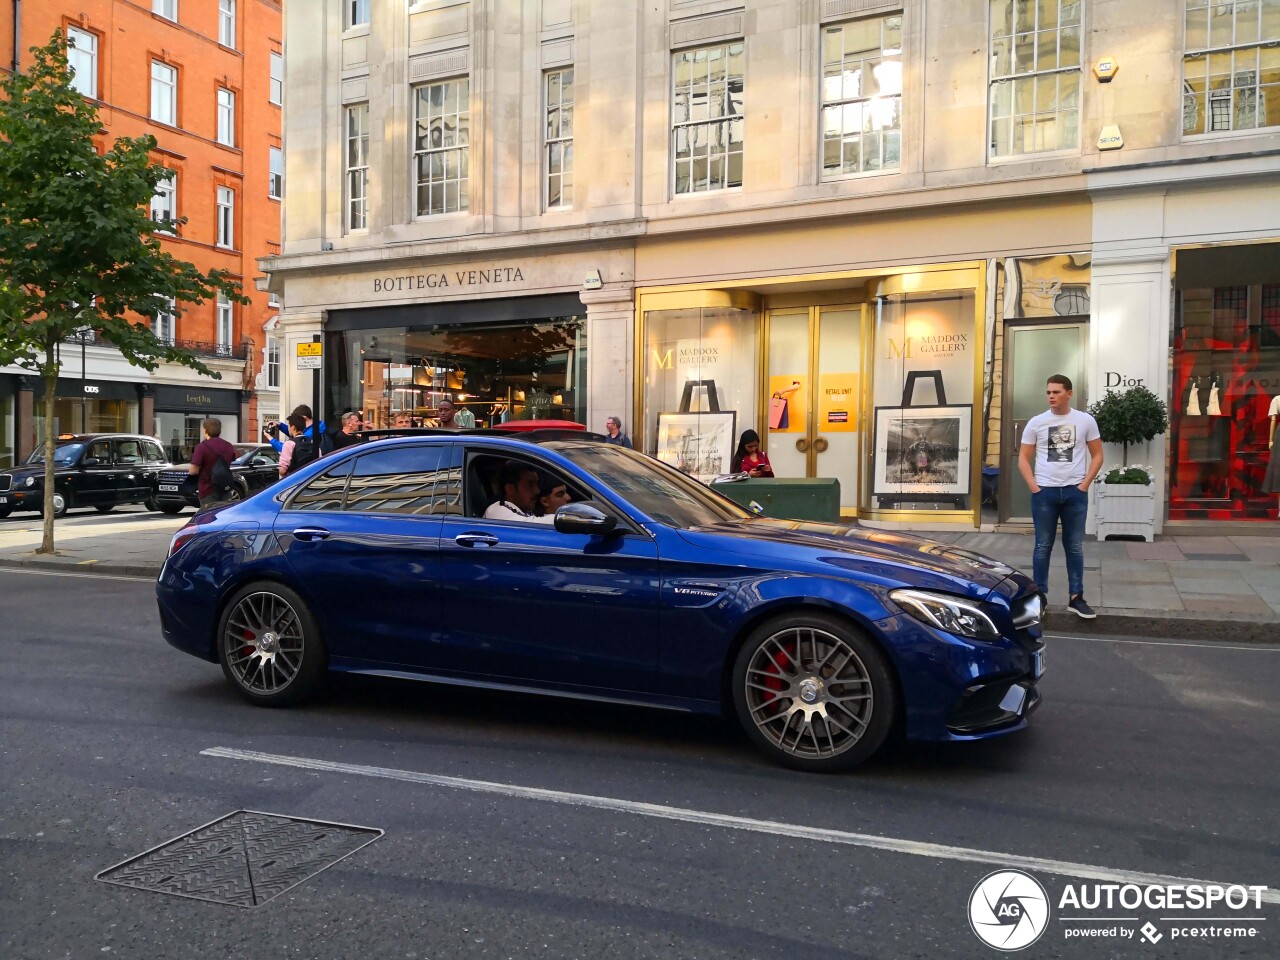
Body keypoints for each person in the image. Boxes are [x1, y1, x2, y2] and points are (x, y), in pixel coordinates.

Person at [1018, 374, 1104, 619]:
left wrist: (1084, 485)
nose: (1051, 397)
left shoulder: (1085, 420)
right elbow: (1023, 458)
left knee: (1075, 547)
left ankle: (1076, 597)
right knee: (1042, 546)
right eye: (1048, 392)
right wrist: (1035, 487)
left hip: (1075, 492)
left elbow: (1098, 455)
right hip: (1044, 492)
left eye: (1056, 392)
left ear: (1069, 393)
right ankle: (1039, 597)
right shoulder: (1037, 422)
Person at [188, 418, 238, 509]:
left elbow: (193, 471)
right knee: (223, 516)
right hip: (225, 487)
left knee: (208, 518)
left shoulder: (201, 447)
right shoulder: (228, 446)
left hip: (207, 489)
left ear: (205, 430)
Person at [483, 460, 555, 523]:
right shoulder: (496, 511)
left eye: (536, 484)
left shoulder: (525, 510)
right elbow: (533, 525)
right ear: (510, 489)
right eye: (530, 485)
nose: (537, 491)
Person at [277, 413, 313, 478]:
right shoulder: (312, 442)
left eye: (289, 427)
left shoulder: (289, 444)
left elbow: (282, 471)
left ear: (293, 427)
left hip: (294, 481)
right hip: (309, 480)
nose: (288, 429)